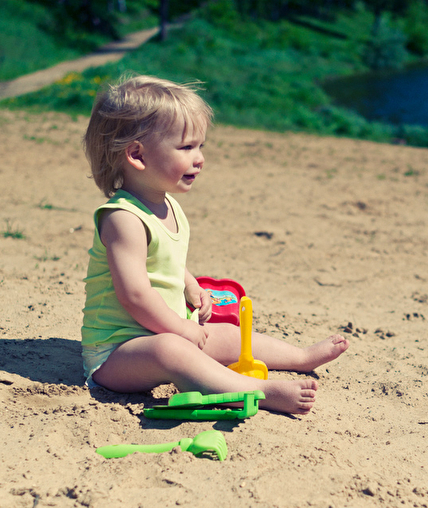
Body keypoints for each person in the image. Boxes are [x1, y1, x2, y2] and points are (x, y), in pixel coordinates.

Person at [81, 74, 349, 414]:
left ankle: (300, 357)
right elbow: (134, 294)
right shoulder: (123, 218)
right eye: (186, 148)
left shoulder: (166, 204)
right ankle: (259, 392)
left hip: (161, 331)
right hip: (117, 353)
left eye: (200, 147)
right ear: (137, 155)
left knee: (226, 333)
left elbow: (163, 261)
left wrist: (190, 285)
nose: (199, 158)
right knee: (172, 351)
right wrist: (180, 328)